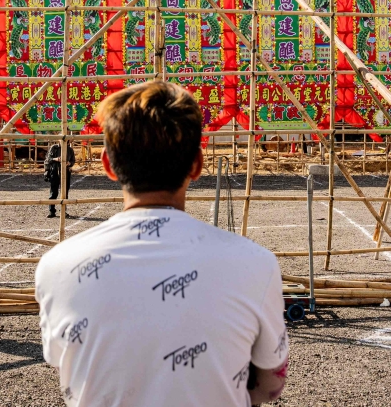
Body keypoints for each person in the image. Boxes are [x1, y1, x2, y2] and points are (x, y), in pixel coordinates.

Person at [35, 82, 289, 406]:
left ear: (109, 166)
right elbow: (270, 382)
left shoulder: (57, 266)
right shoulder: (257, 264)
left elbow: (64, 362)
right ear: (197, 164)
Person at [44, 141, 75, 219]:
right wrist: (56, 159)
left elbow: (73, 161)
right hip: (54, 171)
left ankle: (63, 211)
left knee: (64, 192)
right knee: (53, 192)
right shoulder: (54, 148)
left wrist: (69, 163)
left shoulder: (70, 149)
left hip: (66, 172)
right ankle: (52, 211)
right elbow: (48, 159)